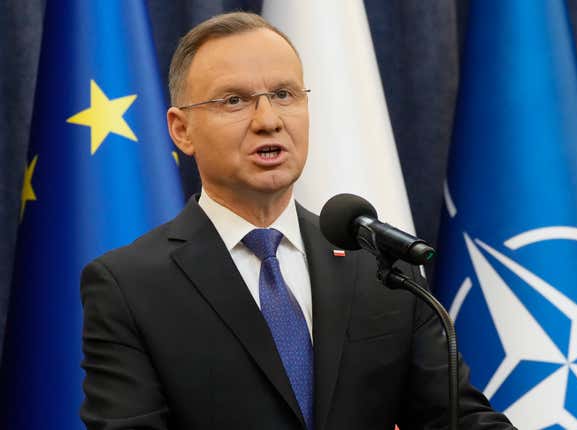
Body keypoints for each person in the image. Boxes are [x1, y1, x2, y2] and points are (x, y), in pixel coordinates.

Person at [80, 11, 515, 430]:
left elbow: (454, 417)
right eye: (234, 100)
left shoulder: (381, 266)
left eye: (285, 95)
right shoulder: (129, 286)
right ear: (181, 130)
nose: (268, 121)